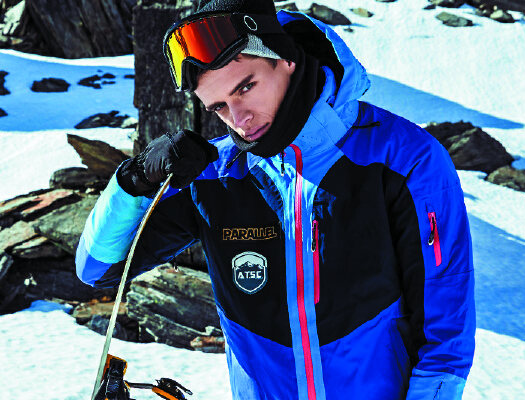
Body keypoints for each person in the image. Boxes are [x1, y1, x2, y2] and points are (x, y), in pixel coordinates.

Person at [76, 0, 476, 399]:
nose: (239, 120)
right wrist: (135, 180)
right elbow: (96, 269)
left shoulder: (403, 159)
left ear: (285, 58)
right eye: (218, 107)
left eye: (245, 87)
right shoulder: (215, 178)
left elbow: (445, 340)